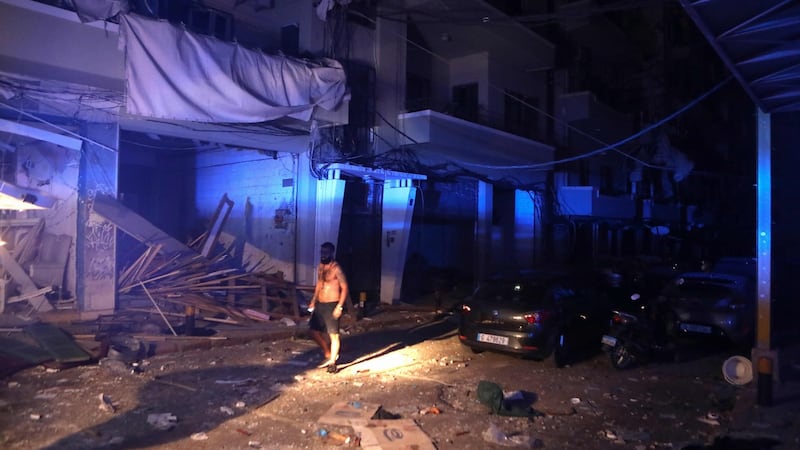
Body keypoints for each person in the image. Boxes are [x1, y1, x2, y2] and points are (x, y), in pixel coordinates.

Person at [307, 242, 349, 373]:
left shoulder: (336, 268)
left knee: (333, 335)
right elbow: (319, 284)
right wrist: (313, 300)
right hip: (320, 303)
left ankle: (332, 363)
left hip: (332, 304)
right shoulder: (320, 267)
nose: (323, 255)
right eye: (322, 252)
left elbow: (345, 287)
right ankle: (327, 352)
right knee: (313, 331)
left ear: (331, 253)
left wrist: (339, 307)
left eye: (326, 252)